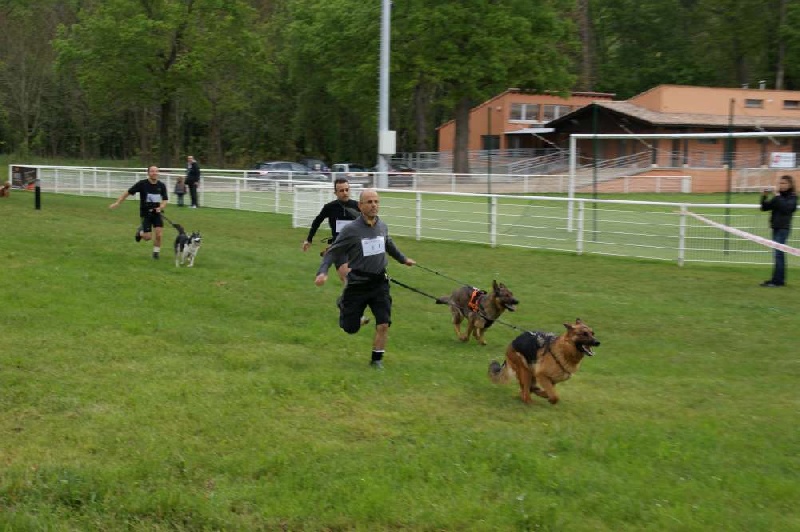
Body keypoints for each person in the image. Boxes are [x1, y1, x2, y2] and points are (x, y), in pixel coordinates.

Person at [315, 189, 415, 369]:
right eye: (369, 202)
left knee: (383, 323)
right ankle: (343, 303)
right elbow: (332, 253)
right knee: (350, 328)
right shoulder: (351, 230)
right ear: (360, 206)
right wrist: (322, 272)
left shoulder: (382, 226)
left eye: (376, 201)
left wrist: (403, 259)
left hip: (379, 283)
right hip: (357, 284)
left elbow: (388, 244)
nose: (373, 205)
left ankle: (376, 361)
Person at [302, 178, 361, 282]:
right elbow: (317, 222)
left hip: (356, 248)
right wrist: (309, 239)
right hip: (339, 248)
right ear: (335, 193)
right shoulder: (330, 207)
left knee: (357, 282)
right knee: (348, 279)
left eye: (347, 190)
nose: (345, 193)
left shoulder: (358, 206)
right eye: (341, 191)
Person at [109, 165, 169, 259]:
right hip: (146, 213)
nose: (154, 173)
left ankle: (155, 254)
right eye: (152, 171)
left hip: (157, 213)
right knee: (147, 237)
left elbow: (165, 200)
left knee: (159, 234)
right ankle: (139, 233)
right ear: (148, 173)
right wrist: (118, 202)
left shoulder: (161, 185)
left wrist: (161, 207)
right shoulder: (142, 184)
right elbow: (128, 192)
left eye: (156, 171)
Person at [759, 174, 797, 287]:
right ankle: (776, 279)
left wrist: (777, 196)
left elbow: (787, 209)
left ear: (790, 184)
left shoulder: (792, 197)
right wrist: (764, 196)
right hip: (775, 228)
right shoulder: (778, 197)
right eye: (780, 183)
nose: (781, 185)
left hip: (783, 229)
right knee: (777, 255)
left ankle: (778, 281)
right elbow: (764, 207)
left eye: (784, 183)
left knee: (779, 254)